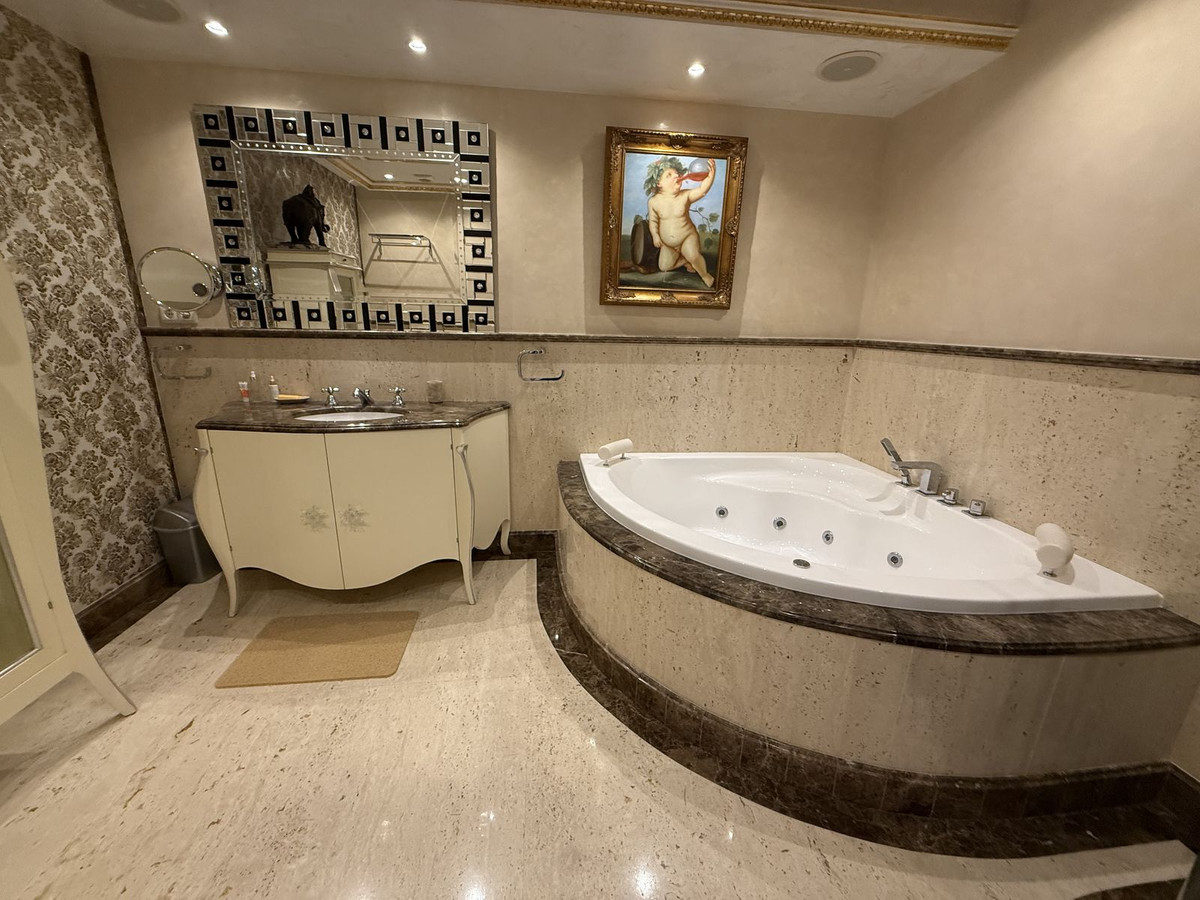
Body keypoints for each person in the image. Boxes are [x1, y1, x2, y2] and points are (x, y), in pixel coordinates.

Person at [646, 157, 717, 287]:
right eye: (669, 175)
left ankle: (705, 275)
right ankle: (684, 260)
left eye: (676, 173)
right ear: (659, 183)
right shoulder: (653, 202)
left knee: (693, 256)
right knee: (664, 266)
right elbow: (653, 221)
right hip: (668, 245)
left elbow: (702, 190)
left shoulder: (685, 195)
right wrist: (655, 236)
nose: (676, 176)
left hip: (686, 237)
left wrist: (711, 176)